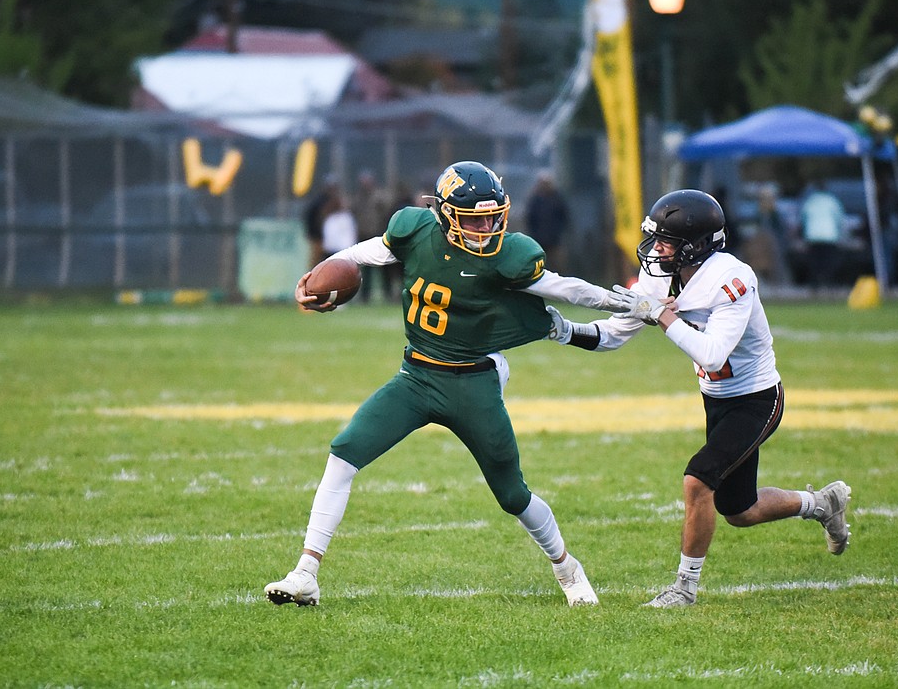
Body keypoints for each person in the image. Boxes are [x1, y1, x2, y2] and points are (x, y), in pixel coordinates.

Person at [264, 160, 641, 608]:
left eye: (491, 216)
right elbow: (356, 256)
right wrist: (314, 282)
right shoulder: (414, 230)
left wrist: (628, 303)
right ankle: (306, 572)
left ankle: (567, 568)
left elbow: (566, 290)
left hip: (473, 384)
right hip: (417, 377)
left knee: (513, 495)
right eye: (473, 219)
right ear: (443, 214)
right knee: (343, 454)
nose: (484, 228)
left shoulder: (509, 256)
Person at [546, 189, 852, 608]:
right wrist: (564, 331)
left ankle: (684, 590)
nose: (657, 249)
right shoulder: (661, 274)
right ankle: (822, 503)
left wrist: (663, 314)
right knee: (739, 510)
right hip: (716, 398)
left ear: (696, 245)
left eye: (667, 241)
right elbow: (614, 335)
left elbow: (712, 353)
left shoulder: (732, 279)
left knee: (698, 479)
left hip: (757, 398)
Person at [352, 171, 401, 302]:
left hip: (378, 235)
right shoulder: (358, 198)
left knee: (384, 268)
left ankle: (388, 293)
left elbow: (387, 212)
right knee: (365, 270)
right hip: (363, 236)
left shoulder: (379, 196)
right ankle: (365, 296)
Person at [799, 180, 846, 291]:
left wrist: (804, 233)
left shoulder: (810, 201)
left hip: (813, 235)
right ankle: (828, 284)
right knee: (829, 262)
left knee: (814, 262)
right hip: (829, 235)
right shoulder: (832, 200)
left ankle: (815, 285)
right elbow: (839, 218)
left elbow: (803, 218)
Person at [524, 171, 569, 271]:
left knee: (557, 265)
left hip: (554, 240)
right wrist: (534, 234)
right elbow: (530, 218)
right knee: (540, 265)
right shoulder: (535, 200)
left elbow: (564, 216)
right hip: (539, 239)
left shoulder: (557, 198)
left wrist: (558, 232)